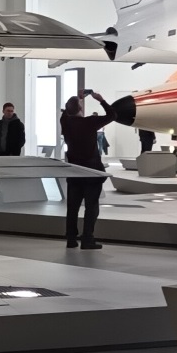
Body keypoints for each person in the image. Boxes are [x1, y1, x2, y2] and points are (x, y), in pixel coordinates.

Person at [59, 90, 116, 250]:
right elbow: (112, 115)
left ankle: (71, 238)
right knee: (91, 207)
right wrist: (101, 99)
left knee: (72, 207)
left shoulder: (66, 123)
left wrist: (76, 99)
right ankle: (87, 239)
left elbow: (64, 114)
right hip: (92, 172)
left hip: (74, 171)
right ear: (80, 108)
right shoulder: (90, 122)